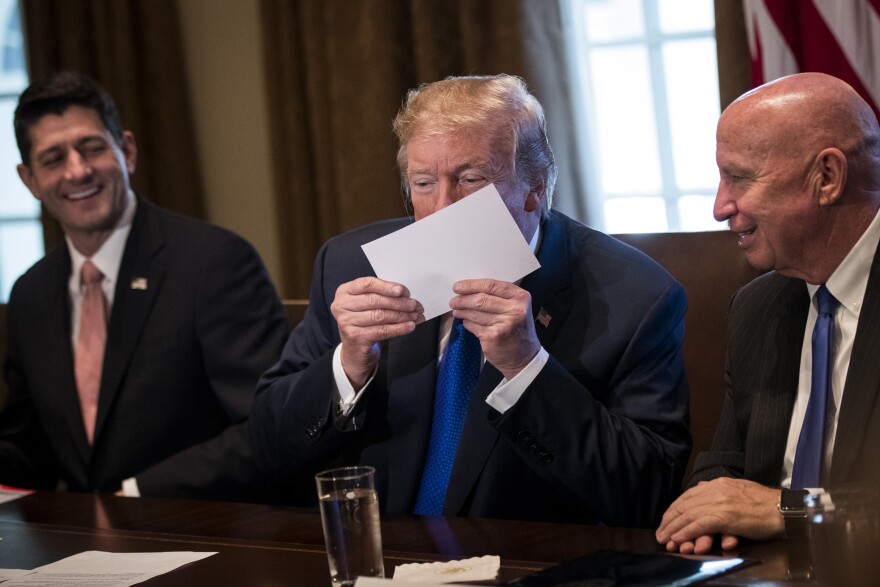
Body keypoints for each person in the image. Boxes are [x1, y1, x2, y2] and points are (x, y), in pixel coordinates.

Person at [250, 74, 690, 527]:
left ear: (535, 186)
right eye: (423, 184)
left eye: (471, 179)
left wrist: (526, 367)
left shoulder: (639, 298)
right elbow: (264, 450)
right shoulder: (351, 265)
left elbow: (648, 492)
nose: (443, 208)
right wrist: (347, 366)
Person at [1, 71, 289, 500]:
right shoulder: (31, 294)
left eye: (92, 148)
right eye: (53, 158)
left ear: (127, 151)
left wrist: (136, 493)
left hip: (203, 532)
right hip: (82, 551)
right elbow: (31, 451)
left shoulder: (214, 263)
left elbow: (268, 424)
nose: (77, 171)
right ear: (30, 181)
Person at [656, 72, 880, 554]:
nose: (720, 207)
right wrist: (711, 515)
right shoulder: (756, 306)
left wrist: (792, 510)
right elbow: (724, 465)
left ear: (827, 177)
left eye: (739, 178)